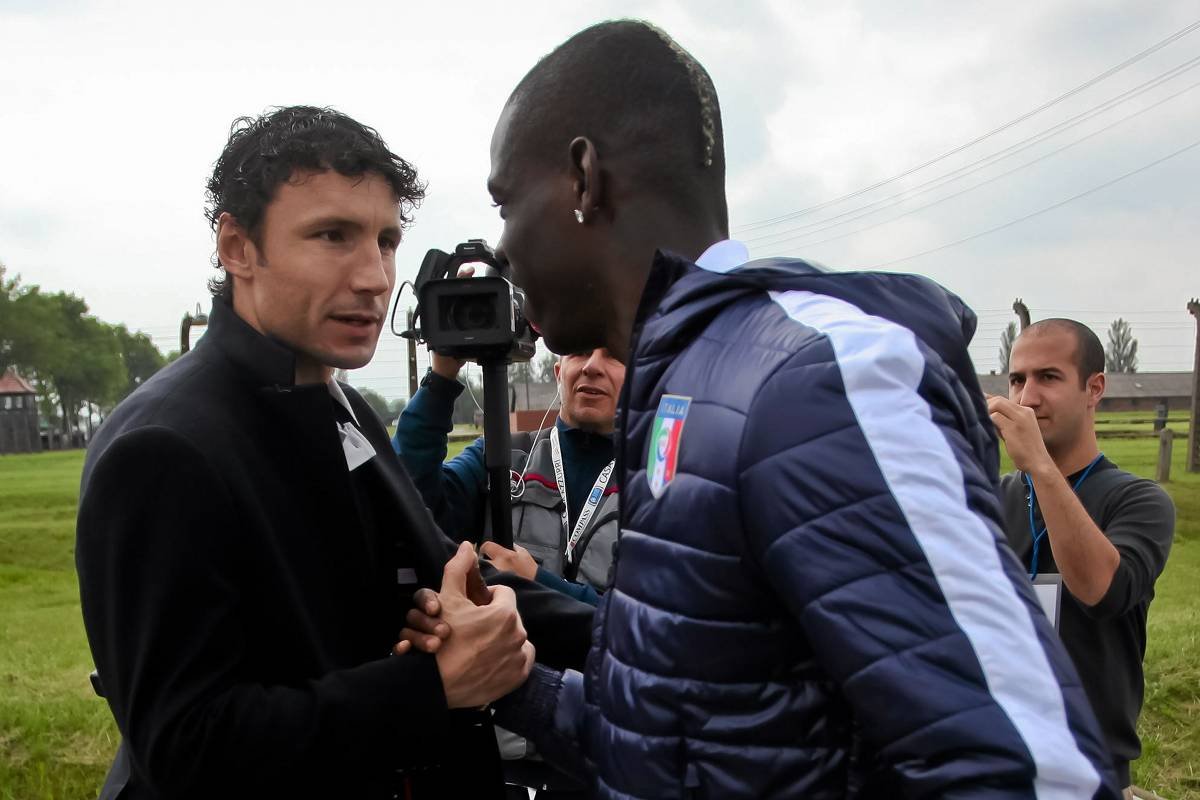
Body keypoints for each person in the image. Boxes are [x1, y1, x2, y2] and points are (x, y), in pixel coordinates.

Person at [405, 20, 1121, 799]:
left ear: (583, 179)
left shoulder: (810, 380)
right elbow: (683, 745)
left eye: (507, 202)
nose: (503, 247)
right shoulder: (683, 384)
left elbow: (1031, 773)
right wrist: (513, 680)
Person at [74, 105, 592, 800]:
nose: (375, 277)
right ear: (237, 247)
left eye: (384, 241)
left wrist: (634, 635)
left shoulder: (336, 401)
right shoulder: (164, 449)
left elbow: (441, 570)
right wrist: (432, 686)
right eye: (332, 236)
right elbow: (184, 744)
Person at [989, 319, 1175, 795]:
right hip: (992, 758)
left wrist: (1041, 468)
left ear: (1094, 389)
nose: (1027, 397)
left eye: (1048, 377)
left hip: (1088, 769)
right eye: (1017, 379)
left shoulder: (1138, 501)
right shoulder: (988, 499)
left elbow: (1100, 590)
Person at [393, 346, 625, 606]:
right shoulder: (500, 456)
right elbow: (411, 500)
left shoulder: (656, 479)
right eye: (579, 351)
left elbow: (650, 623)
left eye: (614, 355)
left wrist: (535, 581)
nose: (591, 366)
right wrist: (441, 376)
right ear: (559, 373)